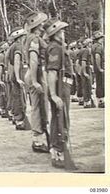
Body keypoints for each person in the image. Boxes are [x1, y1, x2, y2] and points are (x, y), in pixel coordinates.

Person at [45, 19, 72, 168]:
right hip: (60, 86)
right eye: (61, 31)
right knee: (59, 118)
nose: (64, 33)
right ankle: (57, 151)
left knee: (61, 117)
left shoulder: (58, 47)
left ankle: (57, 149)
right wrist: (54, 95)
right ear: (55, 33)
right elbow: (52, 72)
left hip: (64, 85)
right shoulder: (55, 48)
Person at [24, 12, 49, 153]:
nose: (43, 24)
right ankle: (37, 141)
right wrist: (35, 81)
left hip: (36, 73)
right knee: (38, 108)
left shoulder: (33, 37)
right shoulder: (33, 38)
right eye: (42, 22)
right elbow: (34, 59)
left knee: (39, 107)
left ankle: (39, 138)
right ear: (38, 25)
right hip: (36, 73)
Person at [8, 26, 28, 130]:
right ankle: (20, 120)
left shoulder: (12, 46)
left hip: (15, 74)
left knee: (16, 96)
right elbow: (16, 61)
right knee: (20, 98)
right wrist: (18, 77)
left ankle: (17, 118)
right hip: (19, 74)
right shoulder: (18, 46)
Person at [91, 31, 104, 108]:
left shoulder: (93, 46)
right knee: (101, 84)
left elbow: (93, 59)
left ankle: (99, 100)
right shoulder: (99, 46)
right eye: (101, 38)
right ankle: (101, 101)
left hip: (96, 68)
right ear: (99, 39)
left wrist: (95, 66)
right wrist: (100, 68)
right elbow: (97, 57)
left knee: (99, 84)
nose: (102, 39)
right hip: (100, 68)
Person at [81, 38, 94, 108]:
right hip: (86, 69)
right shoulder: (86, 50)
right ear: (88, 44)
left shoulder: (83, 50)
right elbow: (83, 61)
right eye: (91, 43)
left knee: (86, 86)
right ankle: (87, 102)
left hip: (86, 68)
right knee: (87, 86)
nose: (91, 44)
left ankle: (86, 102)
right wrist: (85, 72)